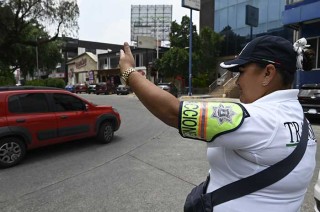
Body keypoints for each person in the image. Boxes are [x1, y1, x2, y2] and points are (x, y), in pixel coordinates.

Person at [118, 35, 317, 211]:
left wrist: (129, 72)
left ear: (268, 73)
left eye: (241, 71)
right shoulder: (300, 120)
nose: (237, 81)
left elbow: (172, 112)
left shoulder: (261, 118)